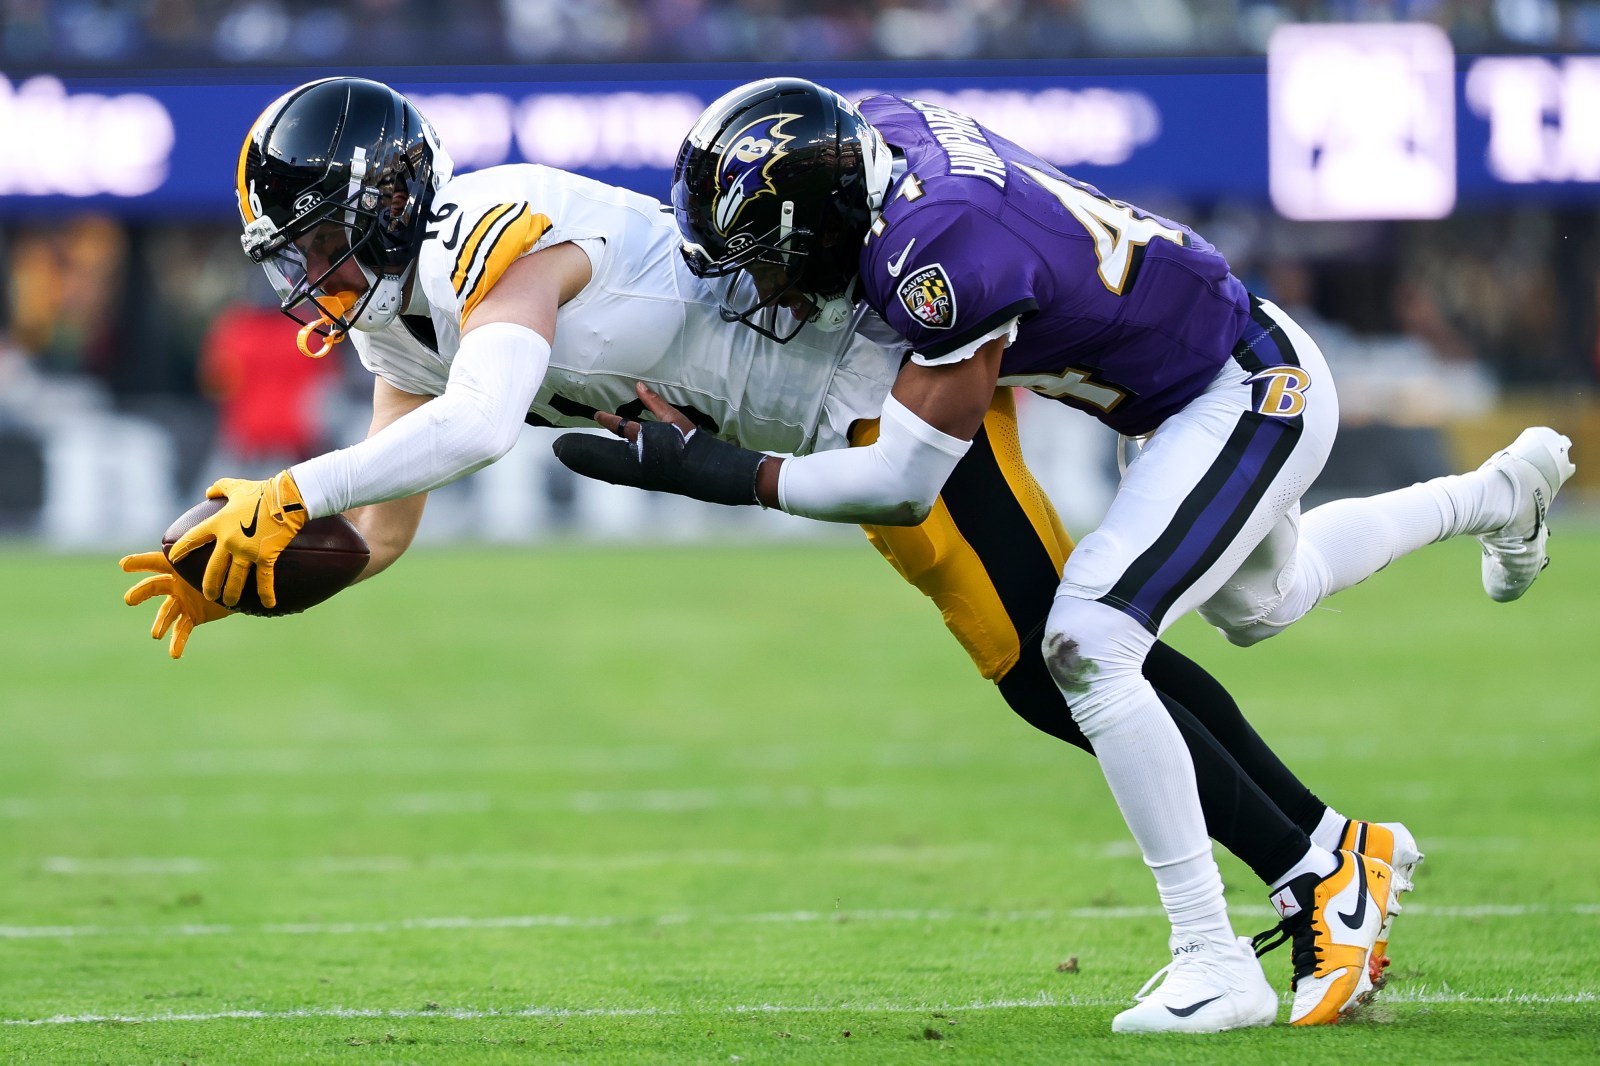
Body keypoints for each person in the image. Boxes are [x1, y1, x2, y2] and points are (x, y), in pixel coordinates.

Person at [122, 77, 1418, 1033]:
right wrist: (260, 580)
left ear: (392, 200)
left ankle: (1312, 863)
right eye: (294, 255)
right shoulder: (391, 324)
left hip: (880, 391)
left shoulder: (489, 225)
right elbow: (385, 529)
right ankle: (1322, 851)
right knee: (1047, 670)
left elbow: (476, 422)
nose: (309, 275)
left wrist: (287, 486)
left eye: (321, 241)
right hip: (823, 434)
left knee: (1072, 658)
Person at [551, 77, 1576, 1031]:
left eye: (768, 260)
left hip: (1243, 389)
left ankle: (1212, 952)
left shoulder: (937, 254)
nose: (764, 288)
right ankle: (1497, 496)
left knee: (1085, 640)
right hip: (1177, 393)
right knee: (1268, 600)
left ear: (820, 221)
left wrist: (722, 472)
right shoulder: (874, 143)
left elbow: (902, 481)